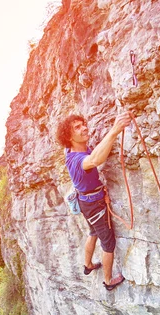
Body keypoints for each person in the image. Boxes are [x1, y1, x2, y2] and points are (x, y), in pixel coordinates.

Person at [56, 111, 131, 290]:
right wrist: (114, 130)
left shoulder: (71, 150)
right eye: (77, 127)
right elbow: (96, 159)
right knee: (108, 242)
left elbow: (92, 155)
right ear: (69, 136)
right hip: (94, 205)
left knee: (93, 232)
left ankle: (88, 265)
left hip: (86, 203)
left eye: (83, 124)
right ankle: (108, 281)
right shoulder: (77, 160)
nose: (84, 128)